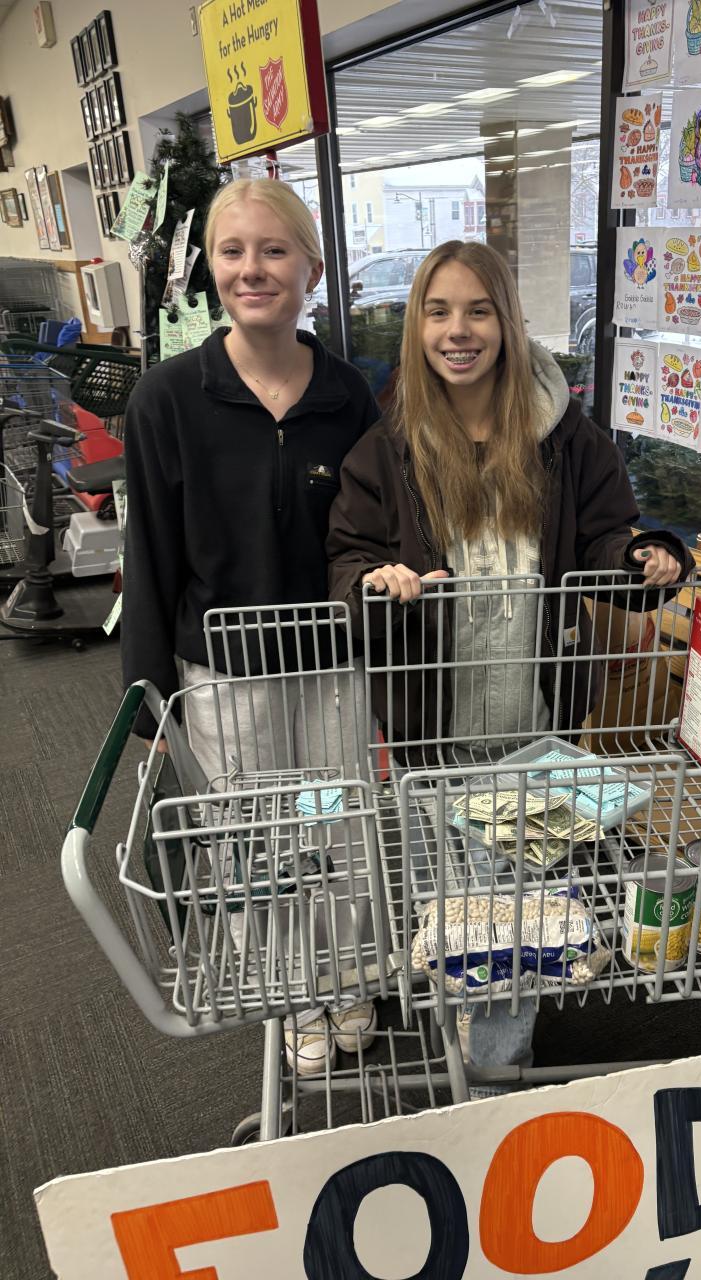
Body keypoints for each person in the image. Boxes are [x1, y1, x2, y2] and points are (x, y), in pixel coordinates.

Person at [326, 239, 694, 1072]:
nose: (458, 331)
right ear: (418, 325)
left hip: (536, 735)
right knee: (461, 912)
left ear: (509, 322)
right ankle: (478, 1039)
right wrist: (375, 582)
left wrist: (646, 557)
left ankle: (493, 1076)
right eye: (438, 312)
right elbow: (348, 557)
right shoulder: (387, 449)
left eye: (479, 311)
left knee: (514, 918)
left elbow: (608, 535)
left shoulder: (565, 438)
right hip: (432, 736)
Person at [121, 178, 381, 1075]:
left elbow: (376, 532)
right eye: (232, 252)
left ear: (313, 269)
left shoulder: (349, 396)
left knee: (337, 827)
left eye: (274, 251)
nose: (252, 270)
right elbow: (149, 552)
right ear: (211, 269)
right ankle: (289, 992)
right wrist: (148, 694)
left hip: (332, 664)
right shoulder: (167, 399)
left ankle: (347, 976)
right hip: (223, 674)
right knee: (251, 838)